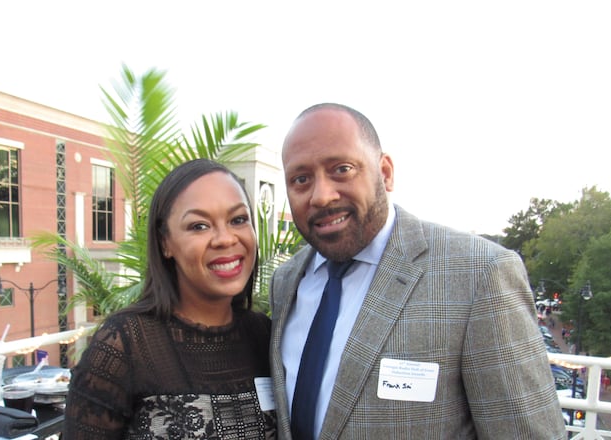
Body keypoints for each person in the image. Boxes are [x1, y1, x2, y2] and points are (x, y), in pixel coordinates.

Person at [269, 103, 566, 439]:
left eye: (342, 169)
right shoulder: (286, 281)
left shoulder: (478, 274)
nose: (321, 196)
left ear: (385, 172)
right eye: (301, 179)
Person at [64, 159, 276, 439]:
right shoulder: (125, 343)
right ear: (165, 243)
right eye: (199, 226)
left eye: (238, 220)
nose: (225, 239)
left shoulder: (266, 336)